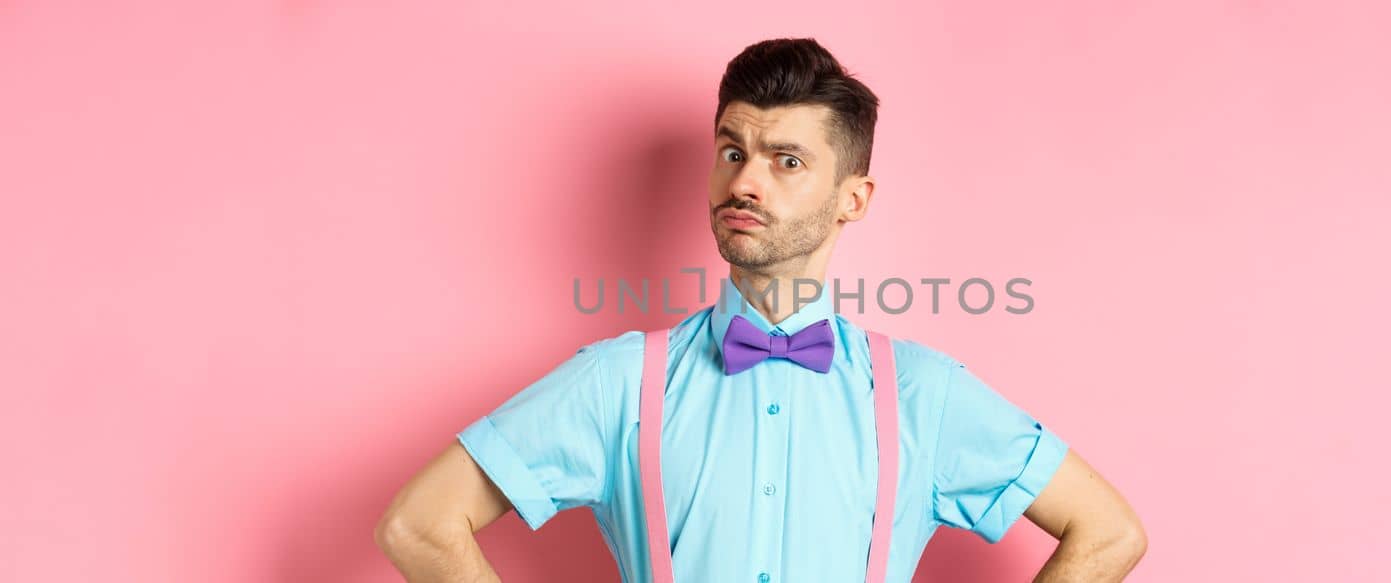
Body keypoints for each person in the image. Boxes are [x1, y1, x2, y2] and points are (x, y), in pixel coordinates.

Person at [375, 37, 1146, 583]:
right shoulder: (619, 383)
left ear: (853, 198)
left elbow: (1111, 533)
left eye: (787, 161)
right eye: (732, 150)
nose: (745, 182)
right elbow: (418, 525)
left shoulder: (923, 393)